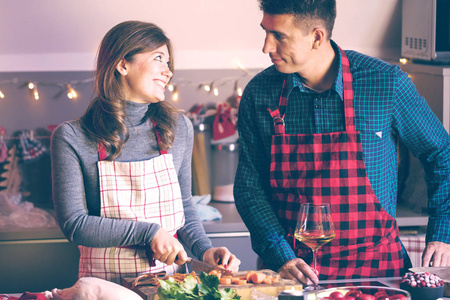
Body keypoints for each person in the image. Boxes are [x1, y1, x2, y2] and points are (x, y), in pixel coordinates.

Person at [234, 0, 450, 286]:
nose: (266, 47)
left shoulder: (385, 83)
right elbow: (250, 188)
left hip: (380, 275)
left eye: (279, 36)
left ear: (317, 36)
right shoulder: (259, 93)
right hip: (293, 277)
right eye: (266, 32)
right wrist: (279, 254)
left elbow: (441, 153)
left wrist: (442, 233)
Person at [51, 20, 240, 284]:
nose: (168, 72)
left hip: (169, 286)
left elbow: (184, 207)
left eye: (169, 62)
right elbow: (75, 224)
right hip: (106, 288)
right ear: (122, 64)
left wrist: (205, 250)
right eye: (159, 59)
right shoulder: (73, 136)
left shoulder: (178, 128)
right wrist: (148, 233)